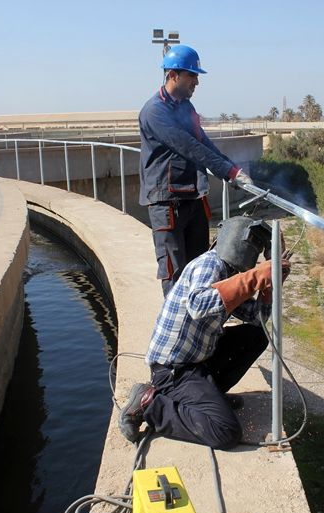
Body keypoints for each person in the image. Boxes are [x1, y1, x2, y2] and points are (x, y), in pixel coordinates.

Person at [119, 216, 289, 450]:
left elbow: (255, 317)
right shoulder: (210, 265)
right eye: (253, 244)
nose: (254, 252)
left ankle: (211, 396)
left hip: (198, 360)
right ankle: (150, 404)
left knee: (255, 337)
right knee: (226, 432)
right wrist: (254, 277)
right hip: (173, 370)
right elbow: (198, 305)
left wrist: (269, 287)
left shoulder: (228, 272)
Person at [139, 44, 253, 295]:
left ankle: (198, 327)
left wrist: (232, 168)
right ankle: (177, 329)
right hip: (166, 202)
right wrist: (228, 172)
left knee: (200, 268)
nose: (197, 82)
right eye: (192, 75)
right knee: (175, 273)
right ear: (173, 75)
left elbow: (203, 142)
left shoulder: (186, 108)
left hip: (191, 197)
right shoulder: (154, 111)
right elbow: (189, 147)